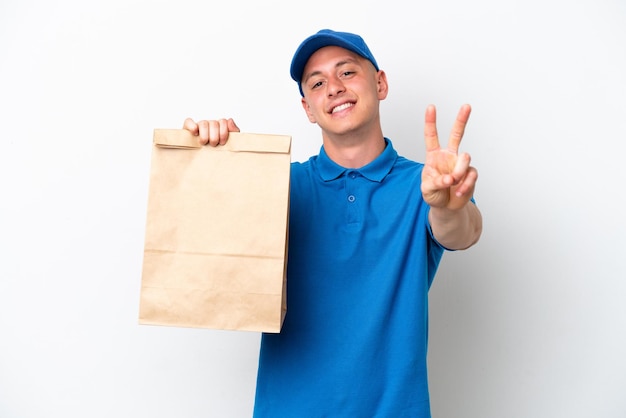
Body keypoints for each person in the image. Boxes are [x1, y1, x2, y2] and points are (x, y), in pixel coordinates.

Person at [184, 29, 482, 418]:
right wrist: (233, 169)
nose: (334, 88)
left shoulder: (424, 184)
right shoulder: (281, 185)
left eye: (347, 73)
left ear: (380, 83)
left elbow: (463, 232)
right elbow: (214, 257)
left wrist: (450, 206)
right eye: (318, 82)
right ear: (308, 108)